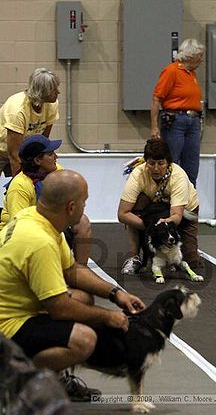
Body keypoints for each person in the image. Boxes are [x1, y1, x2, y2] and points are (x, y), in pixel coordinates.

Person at [0, 170, 145, 401]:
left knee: (83, 299)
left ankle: (45, 374)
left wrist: (116, 294)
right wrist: (108, 316)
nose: (84, 208)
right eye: (84, 202)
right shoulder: (41, 242)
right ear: (70, 207)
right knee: (84, 339)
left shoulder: (35, 217)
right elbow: (60, 308)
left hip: (16, 308)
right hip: (8, 325)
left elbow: (72, 271)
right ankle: (16, 376)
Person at [0, 134, 91, 266]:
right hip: (17, 235)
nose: (56, 157)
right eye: (50, 154)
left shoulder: (56, 171)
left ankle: (80, 270)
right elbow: (19, 226)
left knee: (82, 221)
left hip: (46, 221)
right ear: (37, 161)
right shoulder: (19, 186)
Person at [118, 138, 201, 275]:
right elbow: (122, 213)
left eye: (161, 163)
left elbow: (177, 216)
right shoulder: (138, 174)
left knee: (189, 261)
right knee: (135, 203)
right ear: (146, 162)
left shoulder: (178, 176)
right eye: (151, 163)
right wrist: (153, 229)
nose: (156, 168)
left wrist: (162, 228)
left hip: (184, 211)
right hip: (154, 209)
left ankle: (189, 248)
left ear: (168, 162)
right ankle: (134, 257)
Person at [150, 38, 205, 187]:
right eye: (199, 55)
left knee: (192, 166)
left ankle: (189, 203)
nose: (201, 59)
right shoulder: (171, 71)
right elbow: (156, 98)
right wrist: (154, 127)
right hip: (176, 122)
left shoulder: (191, 74)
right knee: (172, 163)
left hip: (193, 122)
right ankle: (168, 202)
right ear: (190, 55)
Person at [0, 68, 60, 177]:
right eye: (53, 89)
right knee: (20, 185)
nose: (58, 92)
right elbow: (14, 154)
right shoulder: (17, 110)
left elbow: (42, 143)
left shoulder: (52, 105)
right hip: (4, 149)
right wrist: (21, 185)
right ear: (42, 91)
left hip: (23, 151)